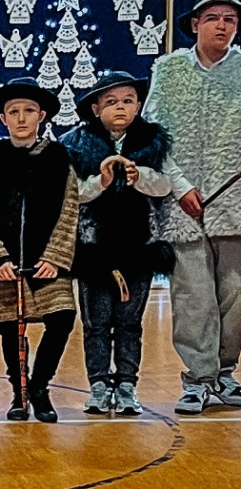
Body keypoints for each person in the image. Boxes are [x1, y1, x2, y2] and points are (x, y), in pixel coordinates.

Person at [143, 0, 241, 414]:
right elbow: (153, 133)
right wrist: (180, 186)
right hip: (182, 206)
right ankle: (198, 379)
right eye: (214, 18)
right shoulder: (168, 70)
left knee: (236, 294)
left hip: (235, 205)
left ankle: (225, 373)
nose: (222, 25)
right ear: (196, 24)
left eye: (230, 20)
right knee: (193, 296)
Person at [62, 72, 179, 417]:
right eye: (111, 102)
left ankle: (127, 384)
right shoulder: (77, 144)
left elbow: (165, 185)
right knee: (96, 322)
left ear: (138, 105)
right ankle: (98, 384)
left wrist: (140, 176)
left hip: (138, 247)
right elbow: (72, 192)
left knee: (129, 322)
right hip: (94, 248)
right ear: (96, 108)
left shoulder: (152, 141)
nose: (120, 108)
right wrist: (102, 181)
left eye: (128, 101)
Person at [0, 78, 79, 423]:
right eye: (14, 112)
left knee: (61, 318)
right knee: (10, 328)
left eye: (29, 111)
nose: (21, 118)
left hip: (46, 263)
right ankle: (18, 393)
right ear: (3, 119)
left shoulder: (59, 159)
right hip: (5, 265)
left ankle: (39, 386)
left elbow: (69, 210)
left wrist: (55, 257)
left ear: (41, 116)